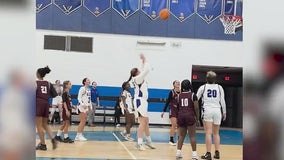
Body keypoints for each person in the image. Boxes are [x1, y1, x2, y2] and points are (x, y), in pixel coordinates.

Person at [127, 53, 155, 151]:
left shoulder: (136, 78)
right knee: (142, 123)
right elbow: (146, 70)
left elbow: (142, 69)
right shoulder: (138, 78)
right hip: (140, 102)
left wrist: (142, 62)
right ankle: (139, 143)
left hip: (142, 101)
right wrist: (145, 60)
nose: (140, 70)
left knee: (145, 122)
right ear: (137, 73)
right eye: (139, 70)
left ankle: (148, 141)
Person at [196, 71, 226, 160]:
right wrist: (224, 112)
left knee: (208, 133)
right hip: (217, 111)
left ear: (206, 79)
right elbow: (222, 101)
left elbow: (196, 98)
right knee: (216, 133)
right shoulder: (219, 87)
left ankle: (208, 153)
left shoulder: (203, 87)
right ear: (215, 79)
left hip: (207, 110)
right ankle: (217, 153)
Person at [176, 79, 199, 160]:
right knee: (192, 136)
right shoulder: (193, 95)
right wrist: (198, 118)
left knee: (181, 136)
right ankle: (194, 155)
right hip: (190, 116)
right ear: (189, 86)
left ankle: (178, 153)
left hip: (181, 115)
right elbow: (196, 107)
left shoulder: (179, 95)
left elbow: (178, 107)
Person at [35, 66, 57, 150]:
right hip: (46, 103)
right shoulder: (48, 83)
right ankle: (53, 138)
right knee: (45, 124)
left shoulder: (35, 83)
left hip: (38, 103)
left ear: (38, 74)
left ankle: (43, 145)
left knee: (39, 126)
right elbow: (55, 94)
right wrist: (46, 96)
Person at [161, 80, 180, 146]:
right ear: (174, 84)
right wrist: (163, 111)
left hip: (179, 110)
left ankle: (179, 140)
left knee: (179, 126)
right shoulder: (171, 92)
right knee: (174, 125)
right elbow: (167, 102)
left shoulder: (182, 92)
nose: (178, 83)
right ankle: (171, 140)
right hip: (173, 109)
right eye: (176, 82)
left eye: (179, 82)